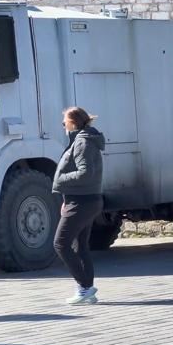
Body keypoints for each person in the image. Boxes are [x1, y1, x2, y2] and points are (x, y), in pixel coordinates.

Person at [52, 106, 105, 305]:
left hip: (83, 201)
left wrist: (61, 180)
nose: (63, 125)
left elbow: (85, 173)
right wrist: (66, 200)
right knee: (80, 245)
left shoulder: (83, 142)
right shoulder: (82, 139)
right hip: (82, 200)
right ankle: (86, 290)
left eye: (64, 121)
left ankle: (85, 287)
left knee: (60, 244)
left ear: (73, 123)